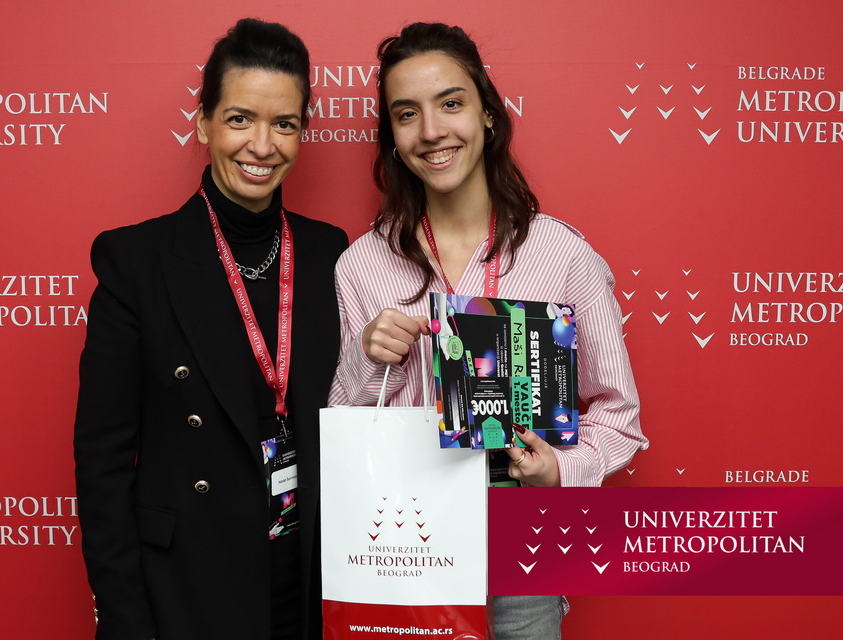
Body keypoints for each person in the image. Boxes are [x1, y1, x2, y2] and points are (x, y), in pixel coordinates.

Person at [328, 22, 648, 639]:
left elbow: (619, 417)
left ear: (489, 115)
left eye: (451, 103)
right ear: (392, 137)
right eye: (406, 114)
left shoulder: (562, 255)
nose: (431, 131)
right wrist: (368, 357)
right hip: (406, 553)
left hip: (520, 558)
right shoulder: (361, 265)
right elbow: (346, 428)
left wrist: (562, 470)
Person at [74, 18, 348, 640]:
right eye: (239, 119)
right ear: (203, 124)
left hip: (310, 584)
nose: (262, 145)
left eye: (284, 124)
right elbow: (102, 461)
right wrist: (125, 619)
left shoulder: (331, 253)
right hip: (187, 590)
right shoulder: (137, 262)